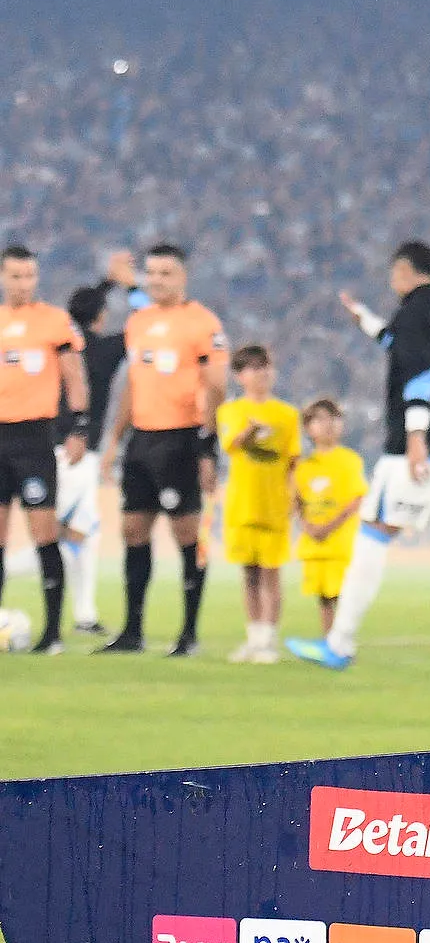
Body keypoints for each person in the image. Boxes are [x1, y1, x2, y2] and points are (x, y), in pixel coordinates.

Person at [288, 242, 430, 675]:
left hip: (419, 450)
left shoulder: (411, 315)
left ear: (404, 271)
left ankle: (339, 644)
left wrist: (416, 437)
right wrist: (367, 322)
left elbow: (419, 373)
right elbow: (403, 347)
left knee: (373, 534)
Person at [105, 243, 226, 655]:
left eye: (166, 273)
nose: (157, 280)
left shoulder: (202, 323)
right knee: (133, 530)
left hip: (182, 438)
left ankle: (188, 634)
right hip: (142, 438)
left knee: (186, 533)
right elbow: (132, 384)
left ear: (183, 277)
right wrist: (115, 439)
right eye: (152, 273)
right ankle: (132, 631)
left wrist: (207, 446)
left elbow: (217, 386)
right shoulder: (139, 321)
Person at [0, 248, 86, 653]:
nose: (24, 283)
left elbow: (74, 378)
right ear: (3, 278)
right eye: (16, 276)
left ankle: (52, 634)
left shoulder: (54, 321)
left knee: (44, 533)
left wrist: (79, 427)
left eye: (29, 276)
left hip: (34, 439)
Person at [214, 345, 302, 663]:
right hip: (242, 503)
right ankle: (253, 637)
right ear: (240, 376)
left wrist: (296, 496)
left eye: (266, 367)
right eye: (254, 368)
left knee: (270, 573)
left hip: (274, 503)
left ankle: (268, 640)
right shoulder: (230, 411)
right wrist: (249, 432)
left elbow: (293, 460)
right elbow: (231, 445)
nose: (263, 373)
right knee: (248, 573)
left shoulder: (287, 415)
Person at [56, 283, 124, 638]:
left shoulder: (58, 344)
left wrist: (104, 285)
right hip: (79, 452)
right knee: (75, 533)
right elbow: (148, 321)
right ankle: (83, 613)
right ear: (101, 316)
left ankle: (84, 612)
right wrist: (127, 285)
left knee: (71, 531)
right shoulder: (105, 349)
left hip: (50, 444)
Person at [289, 398, 367, 640]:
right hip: (315, 545)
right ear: (308, 427)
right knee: (323, 599)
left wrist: (329, 526)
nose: (329, 424)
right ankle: (329, 642)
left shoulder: (349, 460)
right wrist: (306, 525)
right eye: (320, 419)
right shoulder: (304, 466)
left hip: (341, 544)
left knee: (343, 596)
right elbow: (297, 500)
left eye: (334, 418)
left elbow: (356, 499)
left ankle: (343, 642)